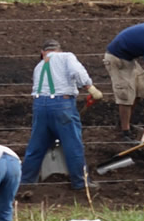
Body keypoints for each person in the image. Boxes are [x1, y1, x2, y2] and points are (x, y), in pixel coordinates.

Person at [20, 38, 101, 191]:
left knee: (36, 147)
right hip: (62, 105)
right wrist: (91, 88)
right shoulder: (66, 57)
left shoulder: (39, 66)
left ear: (43, 52)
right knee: (72, 145)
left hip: (39, 106)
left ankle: (26, 182)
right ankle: (80, 183)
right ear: (59, 50)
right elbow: (77, 72)